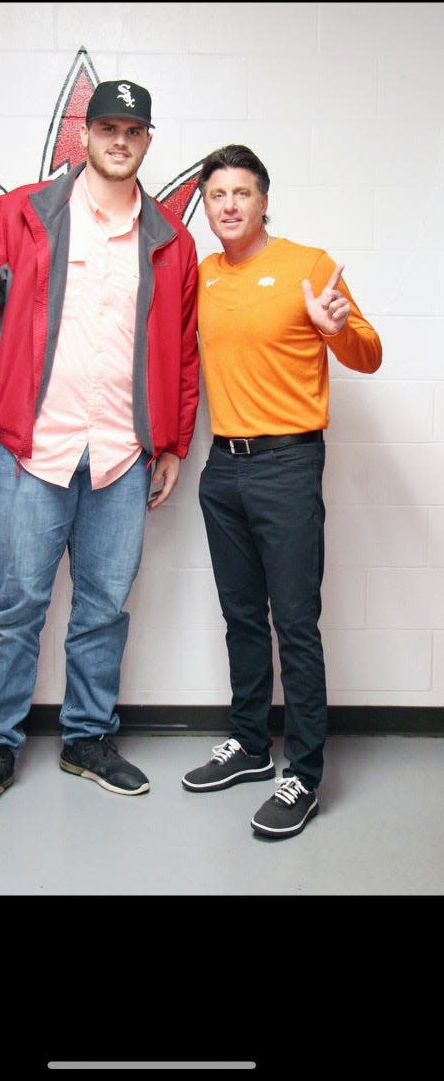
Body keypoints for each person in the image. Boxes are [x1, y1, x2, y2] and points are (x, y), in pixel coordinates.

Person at [0, 79, 199, 819]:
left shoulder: (171, 240)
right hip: (33, 451)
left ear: (146, 141)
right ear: (86, 135)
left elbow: (182, 350)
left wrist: (170, 441)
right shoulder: (25, 212)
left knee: (105, 607)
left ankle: (86, 739)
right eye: (105, 126)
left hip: (121, 454)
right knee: (16, 604)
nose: (118, 140)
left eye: (132, 130)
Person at [181, 144, 382, 838]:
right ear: (204, 206)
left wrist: (337, 330)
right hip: (221, 468)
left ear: (264, 200)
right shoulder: (202, 274)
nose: (229, 205)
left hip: (287, 464)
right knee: (240, 615)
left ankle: (304, 773)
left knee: (292, 622)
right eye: (216, 195)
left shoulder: (307, 265)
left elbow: (369, 351)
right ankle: (248, 744)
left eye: (242, 193)